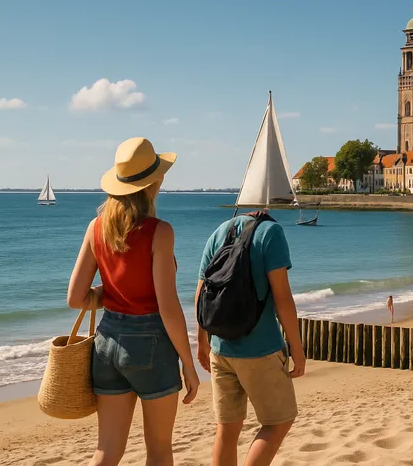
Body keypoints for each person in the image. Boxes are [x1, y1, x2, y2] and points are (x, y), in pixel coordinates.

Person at [67, 137, 199, 466]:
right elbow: (167, 308)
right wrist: (189, 364)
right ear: (154, 182)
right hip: (151, 345)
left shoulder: (96, 228)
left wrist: (108, 292)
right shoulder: (160, 232)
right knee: (158, 451)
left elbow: (76, 298)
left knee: (106, 451)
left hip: (106, 345)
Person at [196, 209, 305, 466]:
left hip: (220, 348)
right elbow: (283, 298)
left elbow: (202, 294)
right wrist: (297, 349)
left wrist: (202, 343)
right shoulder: (271, 232)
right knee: (278, 422)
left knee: (227, 430)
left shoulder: (220, 231)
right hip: (261, 349)